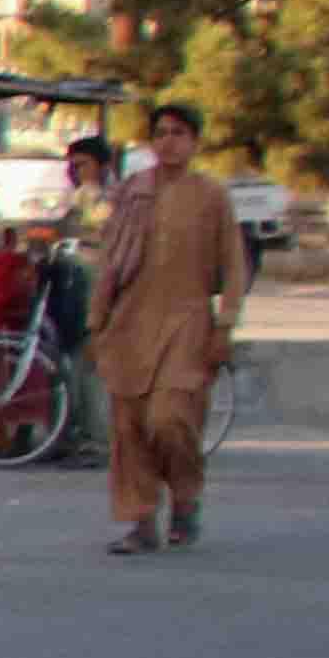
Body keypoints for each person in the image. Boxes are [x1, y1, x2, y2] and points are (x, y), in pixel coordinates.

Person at [90, 99, 250, 553]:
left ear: (195, 142)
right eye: (160, 133)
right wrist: (95, 322)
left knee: (170, 419)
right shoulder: (132, 193)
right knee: (129, 427)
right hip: (129, 323)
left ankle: (184, 497)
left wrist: (225, 326)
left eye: (179, 133)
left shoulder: (212, 195)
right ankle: (141, 521)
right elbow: (109, 263)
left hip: (188, 322)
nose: (168, 141)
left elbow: (234, 269)